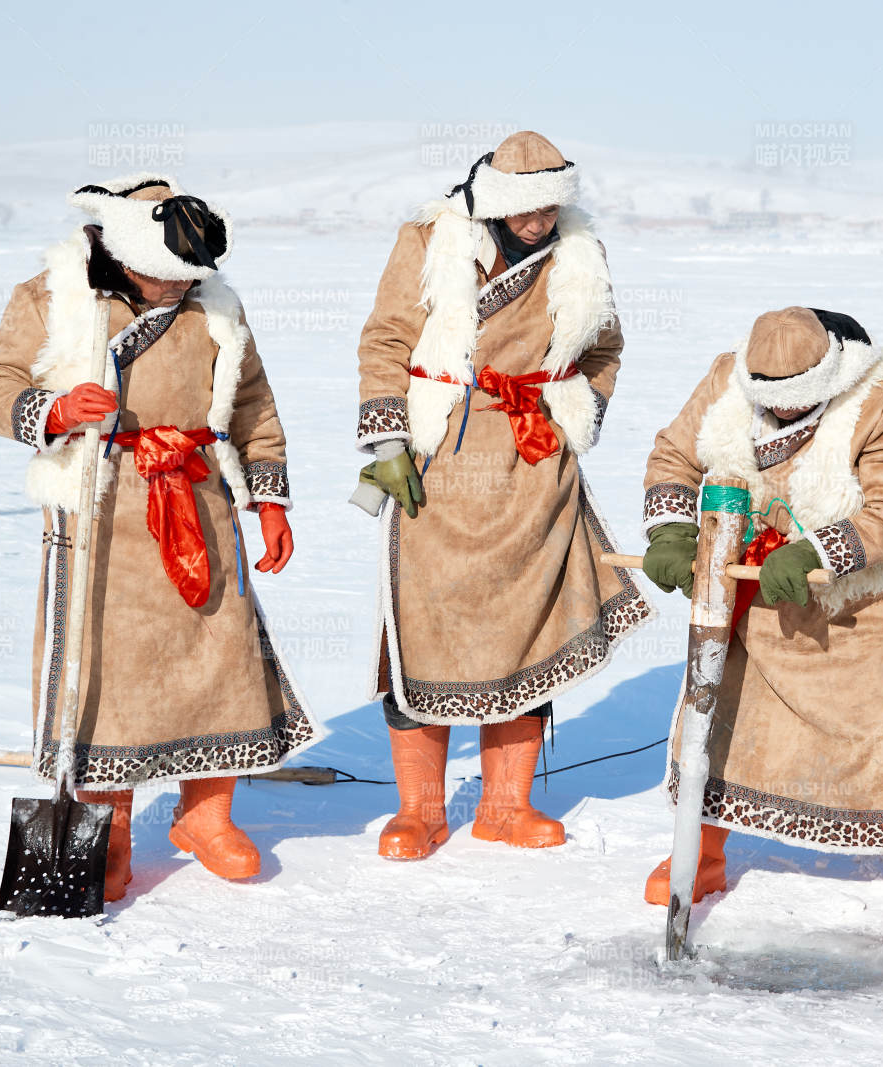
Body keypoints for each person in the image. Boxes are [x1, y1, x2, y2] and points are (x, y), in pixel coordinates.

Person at [0, 173, 319, 900]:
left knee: (220, 655)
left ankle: (206, 816)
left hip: (199, 495)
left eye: (190, 275)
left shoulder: (215, 307)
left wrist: (270, 501)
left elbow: (253, 404)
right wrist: (54, 408)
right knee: (112, 670)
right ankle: (113, 827)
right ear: (128, 253)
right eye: (167, 274)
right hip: (102, 508)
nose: (180, 287)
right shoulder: (54, 296)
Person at [353, 131, 653, 860]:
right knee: (423, 626)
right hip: (440, 458)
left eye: (551, 209)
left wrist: (573, 409)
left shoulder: (581, 253)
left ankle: (505, 806)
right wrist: (388, 442)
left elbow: (604, 348)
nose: (539, 222)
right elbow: (386, 339)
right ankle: (419, 811)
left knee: (528, 628)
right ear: (493, 202)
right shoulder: (430, 239)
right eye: (526, 210)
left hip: (533, 462)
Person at [638, 306, 883, 936]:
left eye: (798, 397)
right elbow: (674, 457)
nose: (784, 409)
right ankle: (702, 854)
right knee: (724, 721)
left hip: (854, 609)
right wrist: (670, 529)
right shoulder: (725, 381)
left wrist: (816, 551)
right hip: (751, 596)